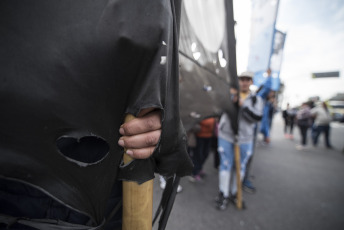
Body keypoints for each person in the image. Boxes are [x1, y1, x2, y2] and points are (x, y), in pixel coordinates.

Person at [215, 71, 270, 210]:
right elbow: (219, 109)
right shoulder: (229, 95)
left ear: (251, 82)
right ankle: (223, 193)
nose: (244, 82)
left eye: (247, 79)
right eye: (242, 79)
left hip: (245, 139)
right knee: (225, 165)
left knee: (241, 167)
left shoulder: (256, 100)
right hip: (226, 136)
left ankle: (235, 193)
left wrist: (242, 104)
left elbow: (256, 117)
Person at [189, 117, 216, 182]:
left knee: (205, 154)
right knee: (198, 155)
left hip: (209, 136)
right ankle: (194, 173)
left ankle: (199, 168)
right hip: (199, 136)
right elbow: (195, 118)